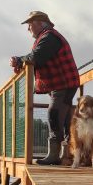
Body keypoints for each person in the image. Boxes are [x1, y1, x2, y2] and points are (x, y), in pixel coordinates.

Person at [10, 10, 79, 165]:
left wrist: (19, 60)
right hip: (62, 83)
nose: (28, 29)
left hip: (64, 84)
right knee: (64, 118)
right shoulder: (48, 36)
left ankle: (54, 156)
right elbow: (35, 56)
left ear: (39, 23)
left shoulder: (49, 37)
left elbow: (36, 57)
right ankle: (66, 155)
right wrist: (20, 61)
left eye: (29, 25)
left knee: (54, 115)